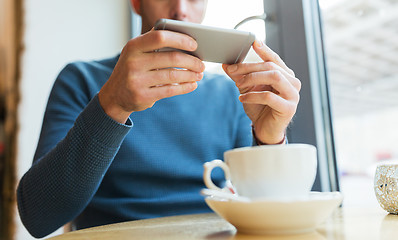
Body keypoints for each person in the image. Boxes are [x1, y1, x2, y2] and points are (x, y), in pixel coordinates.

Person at [17, 0, 301, 238]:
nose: (179, 9)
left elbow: (265, 210)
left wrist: (270, 139)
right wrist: (112, 105)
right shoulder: (82, 80)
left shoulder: (232, 94)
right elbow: (39, 217)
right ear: (137, 3)